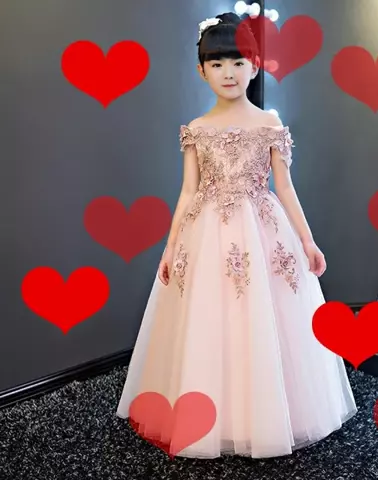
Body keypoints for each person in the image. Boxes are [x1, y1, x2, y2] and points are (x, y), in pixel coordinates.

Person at [116, 11, 357, 459]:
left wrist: (307, 240)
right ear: (201, 70)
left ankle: (265, 416)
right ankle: (214, 416)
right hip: (206, 233)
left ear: (255, 65)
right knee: (208, 319)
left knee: (263, 318)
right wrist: (170, 247)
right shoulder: (197, 129)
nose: (228, 72)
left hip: (262, 230)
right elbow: (188, 192)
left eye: (238, 62)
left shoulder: (269, 124)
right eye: (217, 63)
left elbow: (285, 187)